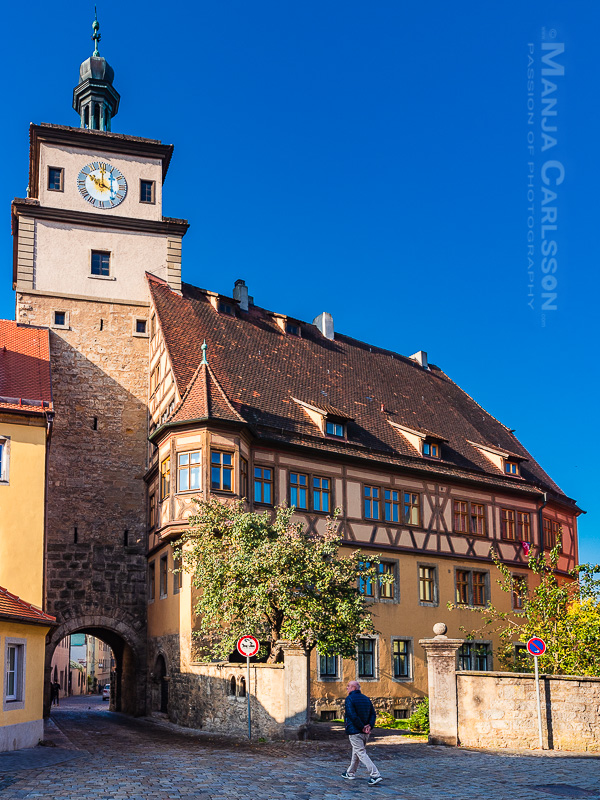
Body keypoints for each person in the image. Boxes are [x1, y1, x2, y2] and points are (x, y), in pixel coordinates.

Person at [341, 680, 382, 785]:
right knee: (357, 752)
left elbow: (352, 715)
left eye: (348, 686)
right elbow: (373, 714)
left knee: (361, 753)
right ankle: (350, 772)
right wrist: (369, 726)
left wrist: (362, 726)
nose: (347, 688)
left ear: (354, 688)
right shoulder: (366, 698)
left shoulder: (349, 699)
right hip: (365, 732)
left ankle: (375, 774)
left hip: (355, 731)